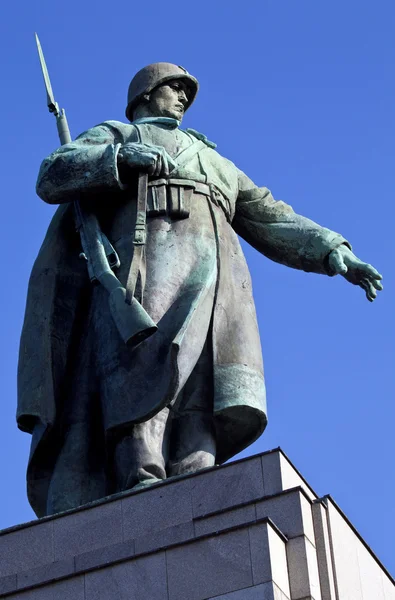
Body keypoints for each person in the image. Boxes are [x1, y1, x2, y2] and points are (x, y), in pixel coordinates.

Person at [17, 63, 382, 517]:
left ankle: (198, 482)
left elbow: (270, 215)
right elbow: (53, 172)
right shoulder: (118, 133)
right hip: (149, 265)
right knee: (146, 371)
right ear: (145, 95)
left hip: (218, 280)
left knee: (201, 389)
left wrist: (331, 250)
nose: (183, 97)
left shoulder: (213, 159)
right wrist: (119, 160)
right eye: (174, 87)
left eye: (185, 90)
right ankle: (141, 478)